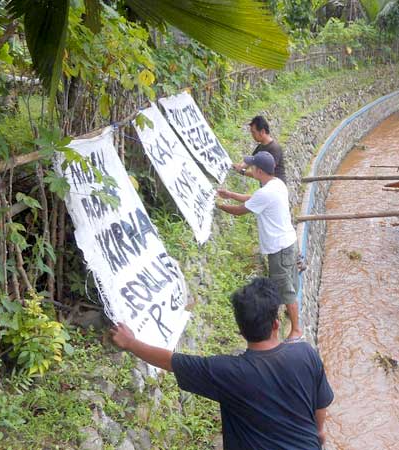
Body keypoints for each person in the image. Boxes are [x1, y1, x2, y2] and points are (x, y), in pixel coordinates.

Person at [110, 277, 334, 450]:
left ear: (240, 329)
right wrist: (320, 431)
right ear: (276, 324)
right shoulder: (305, 354)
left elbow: (171, 362)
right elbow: (320, 404)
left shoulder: (225, 372)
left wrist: (130, 343)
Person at [216, 152, 302, 341]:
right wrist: (229, 194)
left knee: (285, 289)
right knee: (289, 284)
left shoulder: (267, 192)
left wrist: (220, 206)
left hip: (278, 249)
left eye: (253, 166)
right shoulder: (277, 184)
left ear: (260, 170)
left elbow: (240, 211)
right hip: (289, 242)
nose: (250, 169)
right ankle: (282, 318)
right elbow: (253, 198)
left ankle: (296, 329)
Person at [233, 116, 286, 183]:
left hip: (276, 187)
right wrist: (238, 166)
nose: (252, 135)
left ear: (262, 132)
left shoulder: (275, 148)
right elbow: (249, 162)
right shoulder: (260, 147)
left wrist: (242, 171)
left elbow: (264, 173)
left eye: (253, 132)